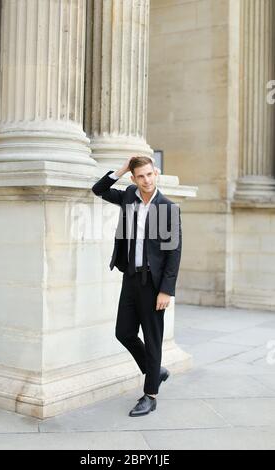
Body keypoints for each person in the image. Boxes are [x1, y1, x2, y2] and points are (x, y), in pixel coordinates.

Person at [92, 156, 182, 417]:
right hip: (130, 278)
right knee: (124, 332)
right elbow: (99, 190)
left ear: (156, 174)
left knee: (153, 340)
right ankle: (156, 371)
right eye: (140, 176)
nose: (146, 180)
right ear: (134, 178)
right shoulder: (129, 195)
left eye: (149, 175)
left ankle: (150, 395)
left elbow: (174, 253)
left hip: (154, 285)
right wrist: (121, 169)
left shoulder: (168, 208)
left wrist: (166, 290)